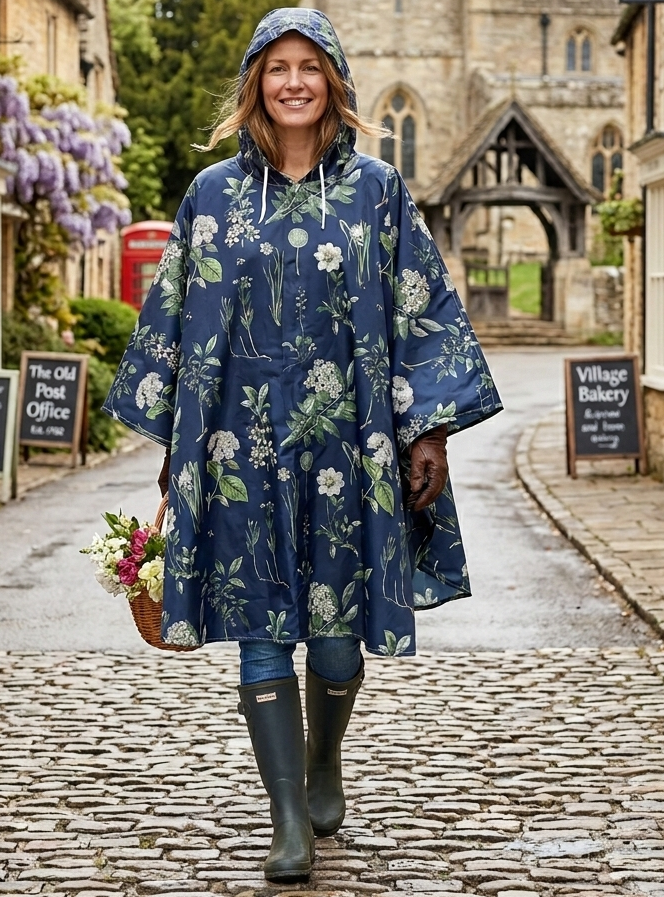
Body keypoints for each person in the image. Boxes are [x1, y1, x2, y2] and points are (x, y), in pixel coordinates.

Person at [102, 7, 503, 883]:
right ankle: (287, 820)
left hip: (348, 448)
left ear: (333, 83)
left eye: (308, 67)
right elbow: (175, 315)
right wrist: (177, 443)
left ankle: (324, 762)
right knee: (258, 628)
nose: (293, 82)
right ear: (256, 82)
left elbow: (420, 306)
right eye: (277, 67)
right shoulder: (211, 196)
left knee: (333, 640)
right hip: (238, 449)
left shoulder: (376, 192)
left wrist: (429, 428)